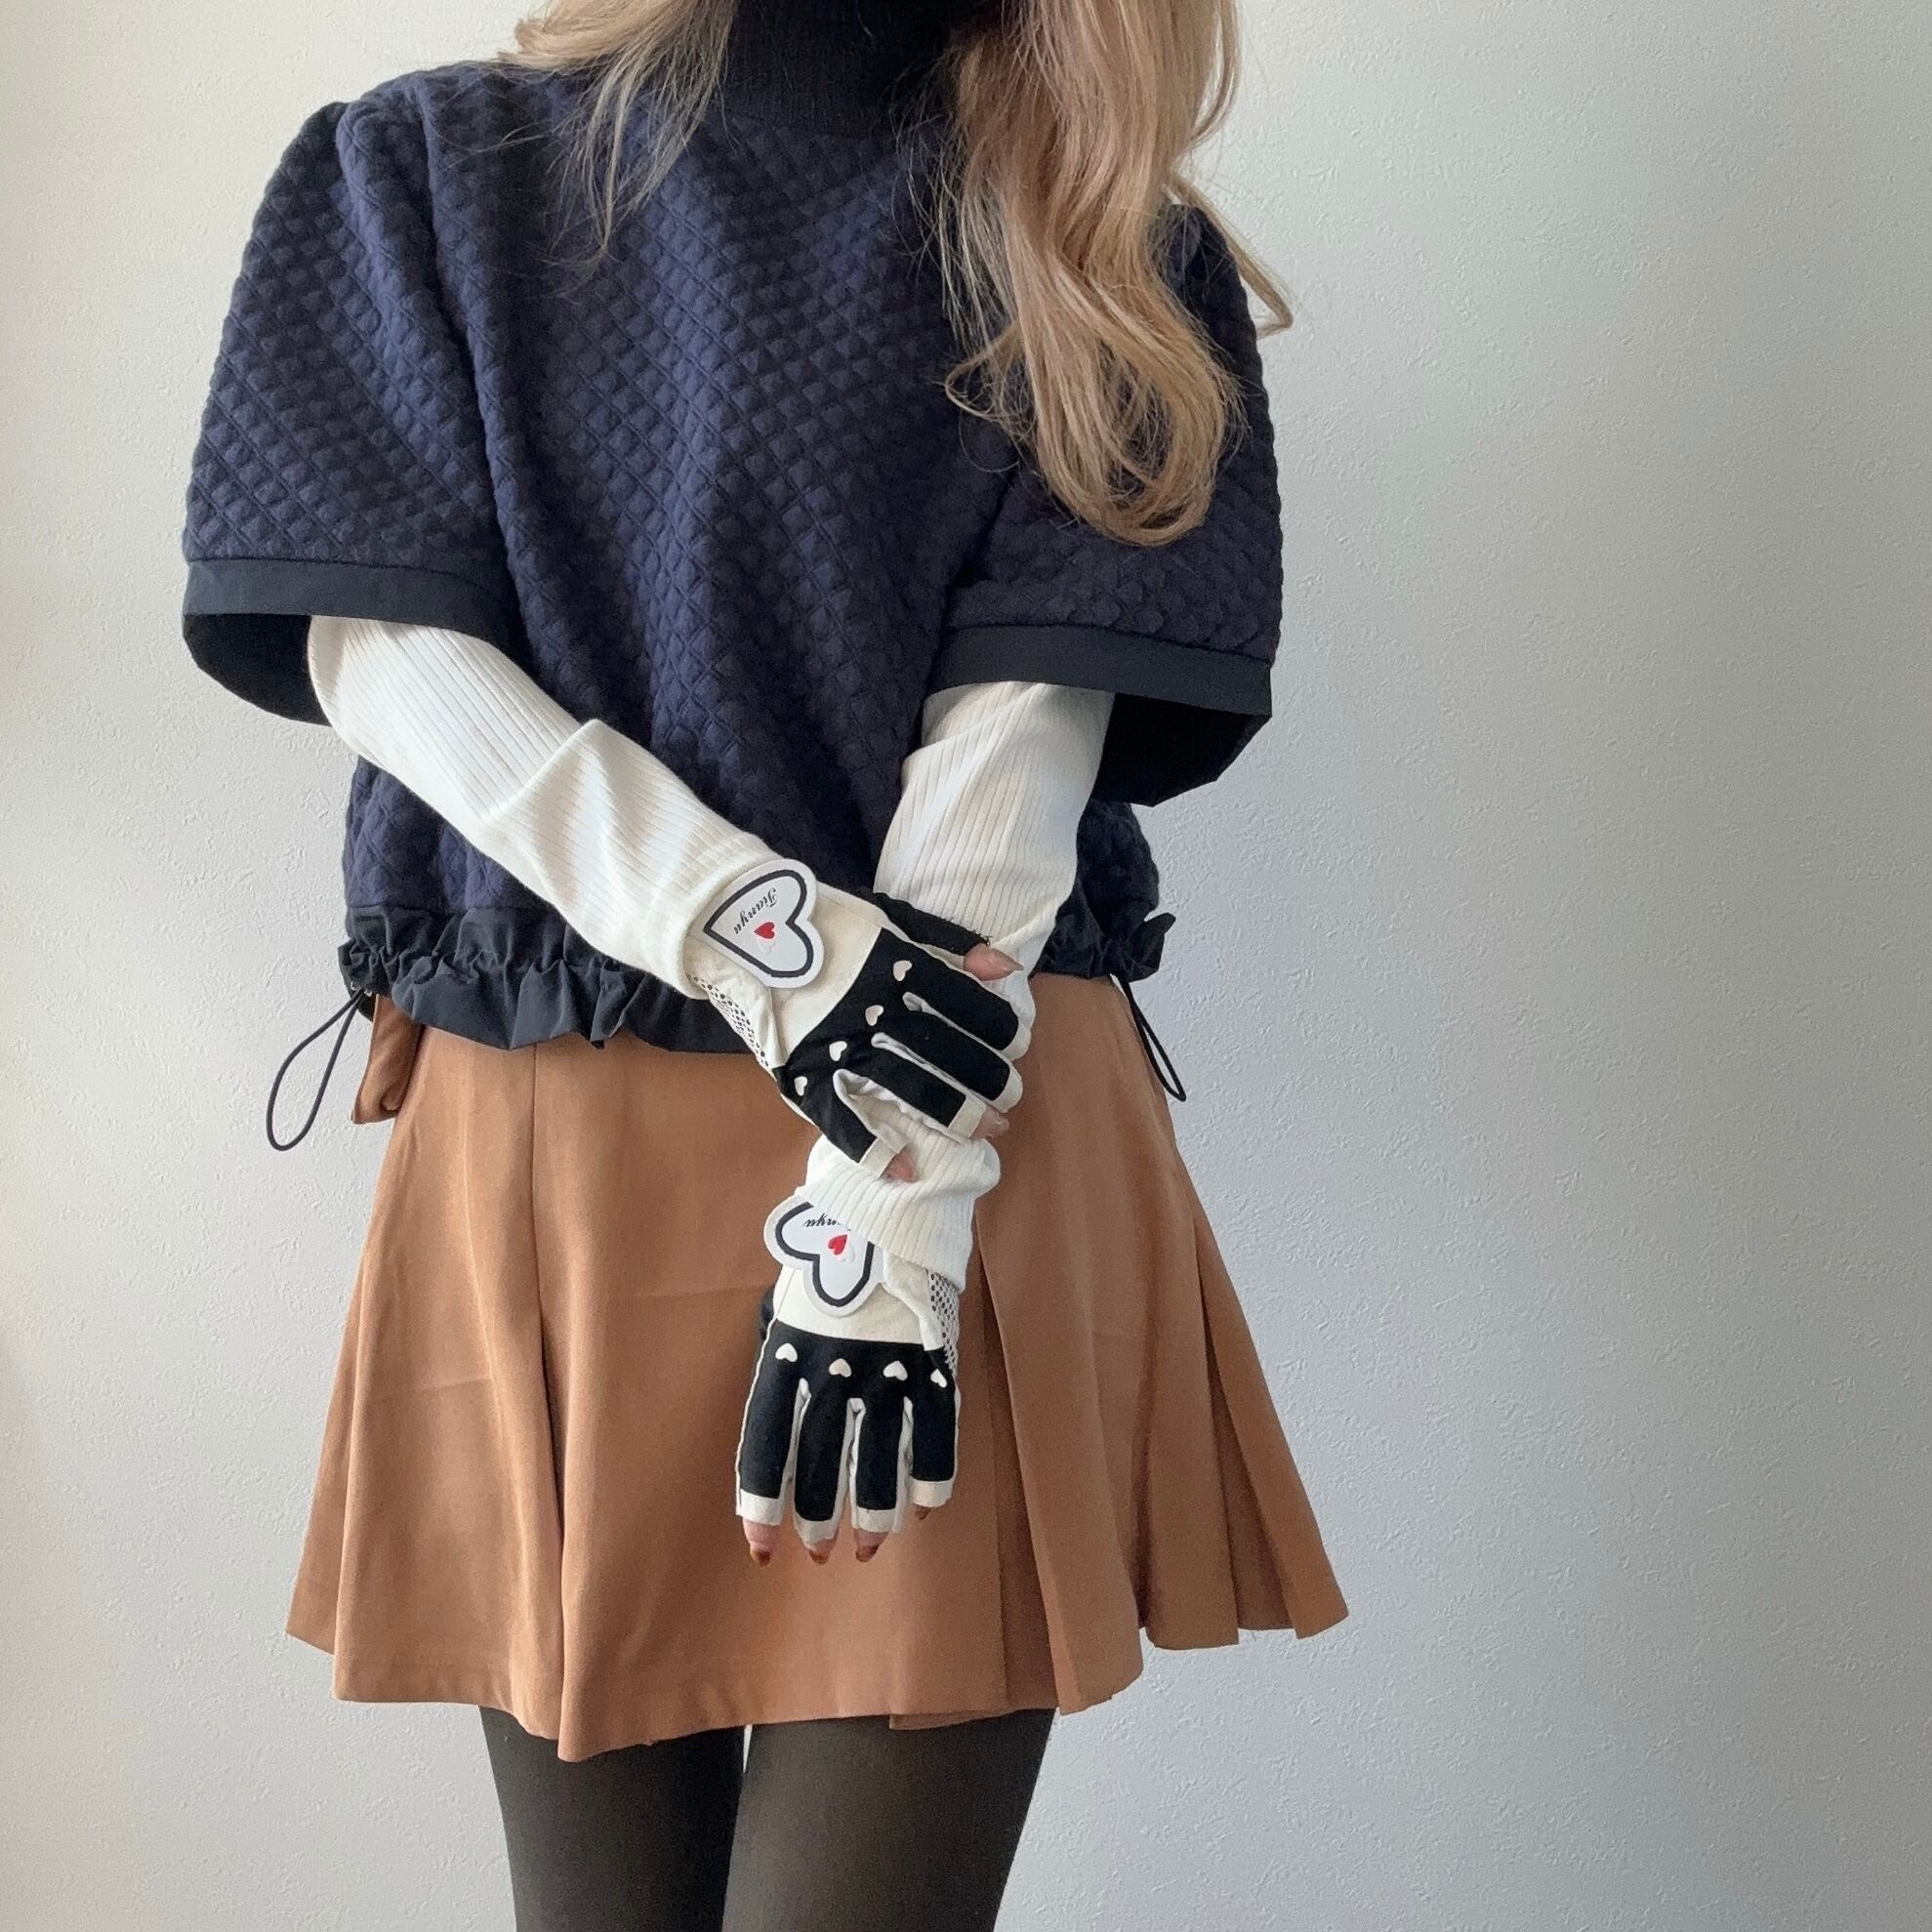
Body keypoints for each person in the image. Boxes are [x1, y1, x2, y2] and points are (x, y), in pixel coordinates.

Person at [179, 0, 1350, 1923]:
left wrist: (891, 1196)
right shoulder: (418, 175)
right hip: (571, 1124)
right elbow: (374, 642)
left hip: (954, 1130)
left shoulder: (1099, 231)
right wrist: (751, 935)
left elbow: (1023, 737)